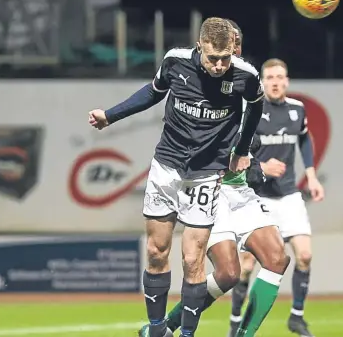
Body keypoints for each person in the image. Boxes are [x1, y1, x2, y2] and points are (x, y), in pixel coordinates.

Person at [88, 17, 264, 337]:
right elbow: (152, 93)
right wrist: (110, 116)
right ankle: (157, 331)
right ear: (200, 47)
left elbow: (255, 106)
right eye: (213, 58)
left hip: (206, 174)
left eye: (226, 58)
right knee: (157, 251)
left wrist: (241, 150)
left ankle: (186, 335)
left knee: (192, 259)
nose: (220, 65)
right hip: (166, 166)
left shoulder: (245, 75)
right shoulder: (175, 61)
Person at [229, 58, 325, 337]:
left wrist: (312, 175)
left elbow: (305, 139)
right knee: (246, 266)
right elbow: (237, 152)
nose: (274, 81)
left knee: (305, 255)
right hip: (257, 197)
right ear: (262, 81)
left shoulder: (297, 109)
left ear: (287, 81)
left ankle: (296, 317)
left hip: (289, 195)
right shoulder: (252, 109)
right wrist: (262, 167)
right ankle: (236, 322)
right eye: (269, 77)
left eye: (279, 77)